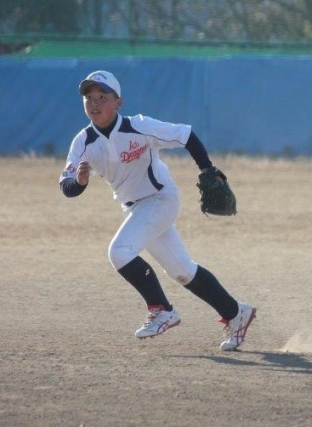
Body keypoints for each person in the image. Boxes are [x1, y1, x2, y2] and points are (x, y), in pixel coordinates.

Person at [59, 70, 256, 350]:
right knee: (183, 271)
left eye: (103, 97)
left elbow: (186, 135)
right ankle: (236, 313)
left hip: (160, 199)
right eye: (89, 97)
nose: (94, 103)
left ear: (118, 102)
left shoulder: (139, 126)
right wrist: (79, 182)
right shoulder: (83, 142)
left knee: (120, 252)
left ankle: (162, 309)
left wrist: (207, 170)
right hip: (134, 209)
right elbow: (67, 186)